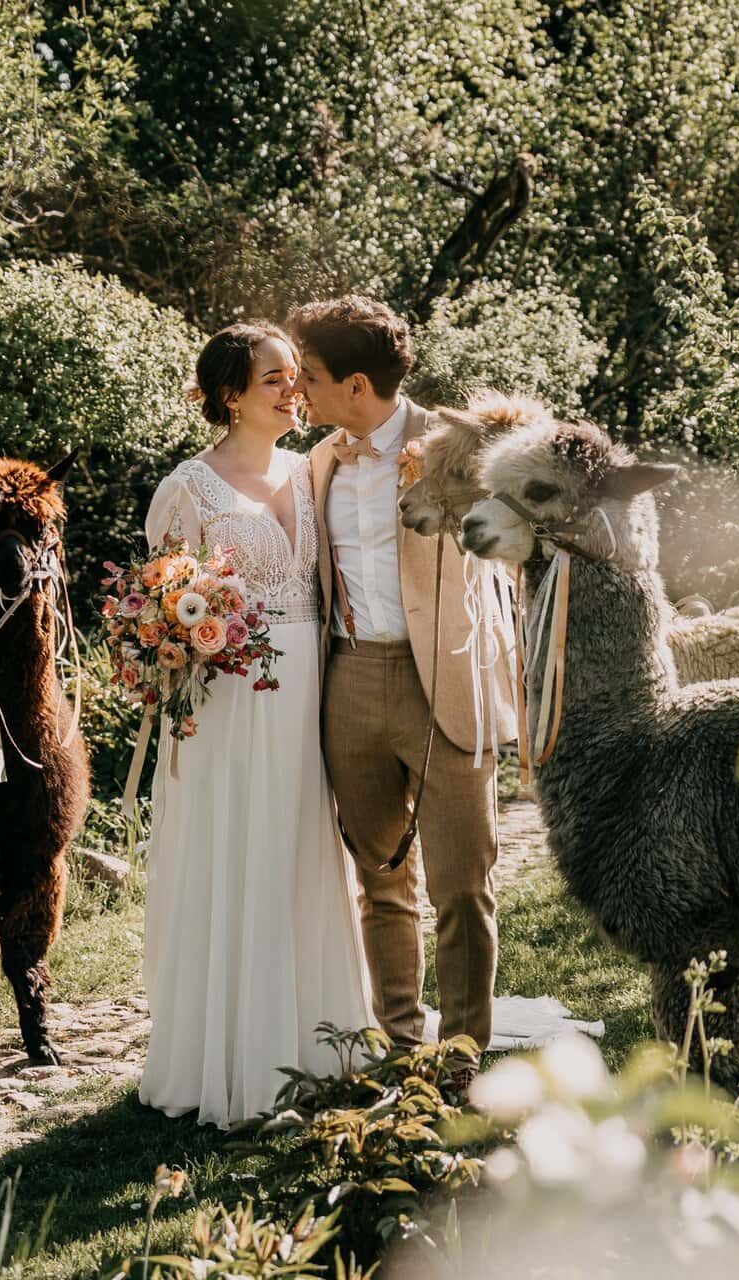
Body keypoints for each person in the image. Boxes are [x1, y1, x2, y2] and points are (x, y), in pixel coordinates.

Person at [136, 322, 376, 1127]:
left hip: (305, 684)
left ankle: (316, 1043)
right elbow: (159, 608)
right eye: (274, 379)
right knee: (233, 852)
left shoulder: (314, 470)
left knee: (297, 851)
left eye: (294, 378)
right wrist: (179, 637)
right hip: (228, 698)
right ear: (231, 394)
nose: (293, 390)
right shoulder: (188, 487)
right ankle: (227, 1058)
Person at [290, 296, 518, 1059]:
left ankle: (462, 1056)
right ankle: (399, 1046)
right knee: (381, 883)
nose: (300, 392)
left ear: (358, 385)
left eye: (312, 378)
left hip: (448, 683)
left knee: (462, 887)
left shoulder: (463, 444)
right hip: (349, 682)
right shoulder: (319, 461)